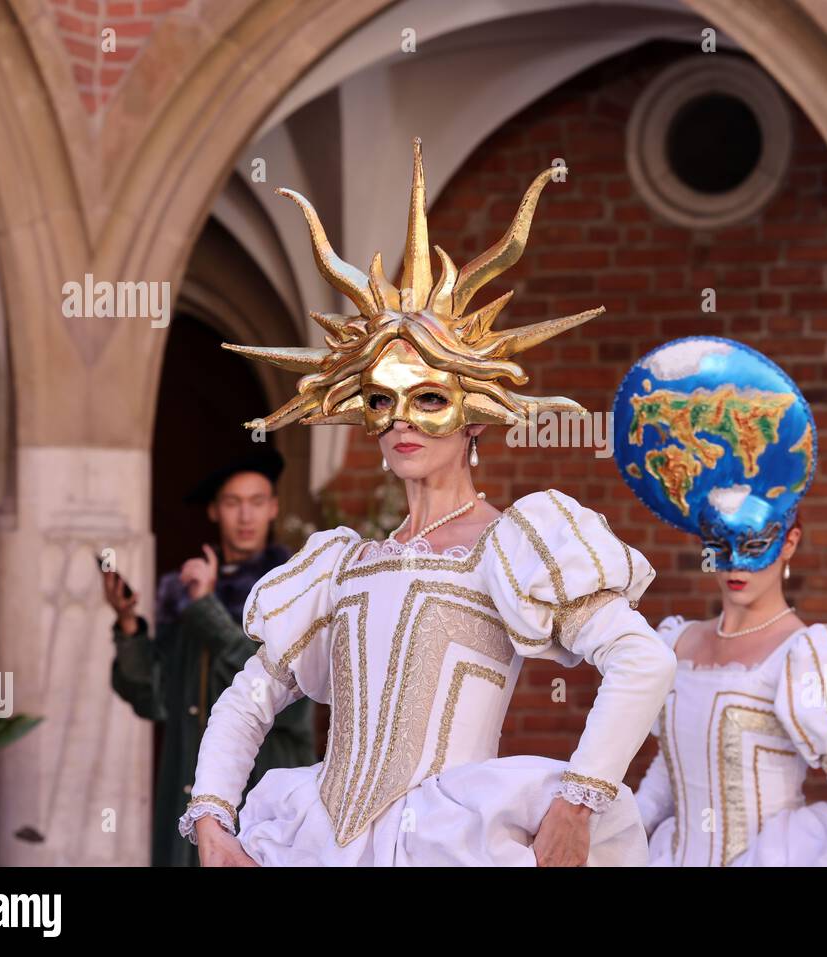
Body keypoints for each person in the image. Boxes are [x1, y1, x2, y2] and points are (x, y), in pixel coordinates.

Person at [176, 138, 676, 866]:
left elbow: (643, 661)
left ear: (474, 415)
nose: (402, 419)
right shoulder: (341, 562)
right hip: (316, 845)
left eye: (429, 397)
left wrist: (578, 801)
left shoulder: (513, 542)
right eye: (383, 399)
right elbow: (251, 695)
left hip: (450, 847)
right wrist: (213, 821)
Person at [613, 337, 827, 865]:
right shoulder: (674, 642)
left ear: (789, 543)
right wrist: (602, 834)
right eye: (721, 547)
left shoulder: (808, 654)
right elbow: (666, 780)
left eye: (755, 547)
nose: (737, 564)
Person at [102, 447, 315, 866]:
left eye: (256, 502)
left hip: (264, 802)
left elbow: (290, 702)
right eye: (233, 503)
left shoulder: (296, 590)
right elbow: (153, 699)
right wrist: (129, 626)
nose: (245, 516)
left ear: (273, 507)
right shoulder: (184, 595)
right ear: (215, 512)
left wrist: (206, 611)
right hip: (190, 798)